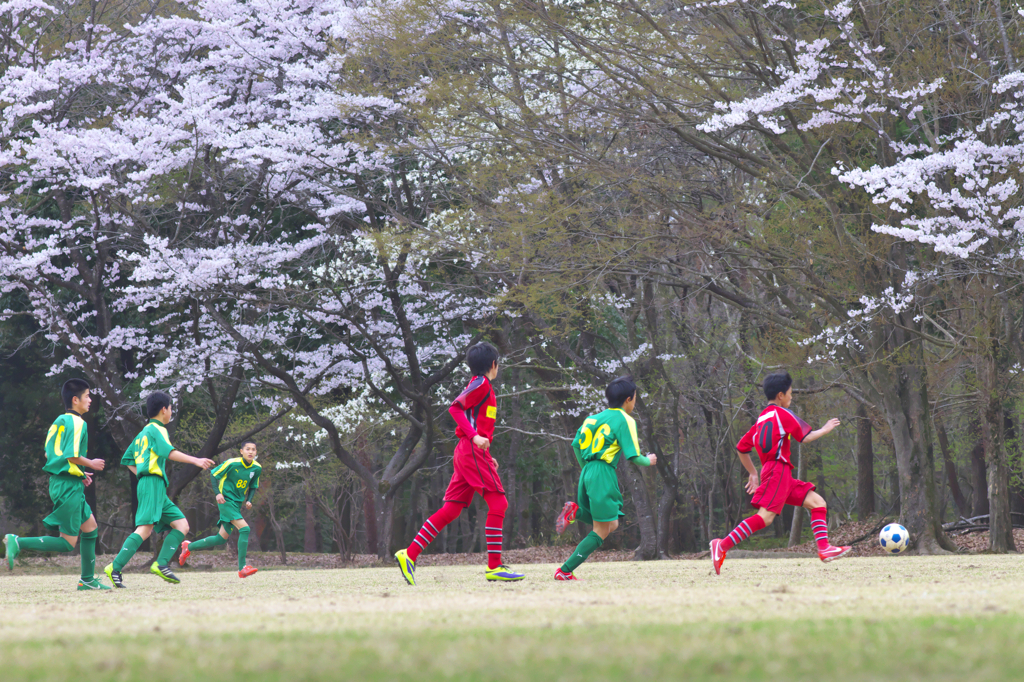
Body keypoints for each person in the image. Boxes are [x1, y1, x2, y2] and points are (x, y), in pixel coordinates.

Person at [395, 342, 525, 584]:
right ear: (494, 364)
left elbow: (476, 421)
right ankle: (495, 567)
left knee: (451, 509)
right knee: (499, 502)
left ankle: (408, 554)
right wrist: (475, 438)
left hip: (469, 452)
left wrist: (485, 449)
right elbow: (455, 408)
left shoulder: (479, 385)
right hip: (470, 450)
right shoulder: (482, 384)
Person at [709, 371, 849, 574]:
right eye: (790, 392)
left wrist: (753, 473)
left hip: (777, 473)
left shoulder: (760, 420)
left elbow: (741, 448)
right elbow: (806, 437)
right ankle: (721, 546)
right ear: (781, 395)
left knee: (817, 503)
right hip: (777, 471)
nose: (792, 396)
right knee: (765, 518)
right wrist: (826, 428)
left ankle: (824, 549)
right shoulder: (783, 414)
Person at [3, 379, 109, 590]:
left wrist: (79, 473)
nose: (90, 400)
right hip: (66, 486)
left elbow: (49, 454)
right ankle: (17, 541)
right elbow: (71, 454)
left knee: (90, 528)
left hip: (64, 482)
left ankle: (87, 580)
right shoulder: (78, 423)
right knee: (66, 543)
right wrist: (91, 463)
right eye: (87, 396)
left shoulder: (59, 421)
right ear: (75, 399)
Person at [103, 391, 214, 587]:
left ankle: (161, 564)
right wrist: (195, 460)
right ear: (164, 409)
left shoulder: (143, 433)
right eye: (171, 408)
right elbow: (167, 451)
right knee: (145, 530)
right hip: (152, 484)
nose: (171, 412)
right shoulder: (157, 429)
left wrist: (141, 474)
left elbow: (128, 459)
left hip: (154, 486)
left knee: (182, 525)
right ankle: (115, 567)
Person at [552, 376, 657, 580]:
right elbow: (633, 456)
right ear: (629, 399)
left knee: (612, 524)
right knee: (601, 530)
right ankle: (564, 571)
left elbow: (575, 444)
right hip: (603, 473)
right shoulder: (625, 420)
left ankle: (576, 512)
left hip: (587, 471)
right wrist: (649, 460)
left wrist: (587, 469)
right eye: (635, 397)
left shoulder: (592, 418)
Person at [178, 440, 261, 578]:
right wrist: (217, 493)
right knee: (245, 529)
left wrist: (249, 500)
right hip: (226, 501)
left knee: (220, 539)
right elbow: (213, 474)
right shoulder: (232, 463)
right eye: (248, 449)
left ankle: (188, 547)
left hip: (236, 504)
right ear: (241, 451)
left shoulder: (257, 468)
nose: (251, 452)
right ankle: (242, 568)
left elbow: (253, 486)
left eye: (253, 449)